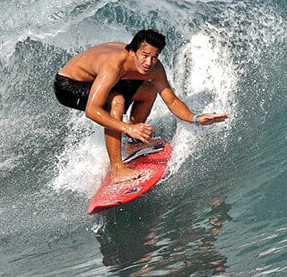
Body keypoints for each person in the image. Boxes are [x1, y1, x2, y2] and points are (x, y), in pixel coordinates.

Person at [54, 29, 227, 182]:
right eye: (145, 55)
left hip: (100, 79)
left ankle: (134, 144)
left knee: (149, 90)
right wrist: (128, 128)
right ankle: (117, 169)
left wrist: (195, 118)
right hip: (69, 85)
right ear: (133, 52)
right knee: (116, 101)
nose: (149, 62)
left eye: (154, 57)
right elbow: (92, 110)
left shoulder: (154, 68)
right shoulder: (114, 65)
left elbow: (171, 100)